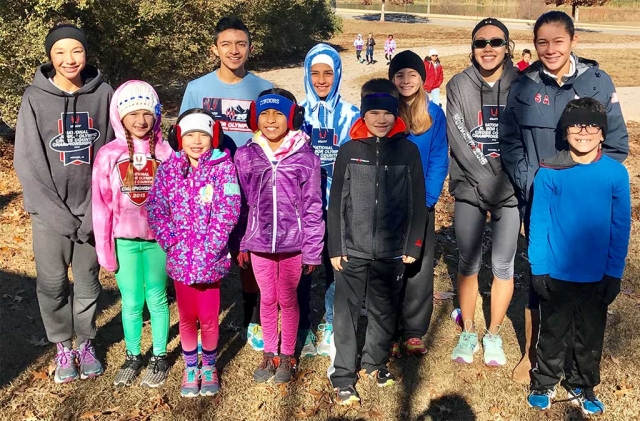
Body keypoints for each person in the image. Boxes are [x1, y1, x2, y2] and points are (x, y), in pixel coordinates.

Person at [500, 10, 629, 384]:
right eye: (542, 42)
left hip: (585, 209)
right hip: (539, 199)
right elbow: (510, 141)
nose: (550, 48)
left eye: (558, 40)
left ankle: (576, 359)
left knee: (582, 283)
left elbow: (617, 144)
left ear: (573, 40)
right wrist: (531, 182)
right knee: (540, 273)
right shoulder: (523, 84)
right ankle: (532, 355)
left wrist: (587, 183)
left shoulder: (598, 82)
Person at [13, 22, 114, 384]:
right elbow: (27, 161)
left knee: (87, 283)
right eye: (60, 52)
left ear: (86, 53)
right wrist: (57, 215)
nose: (69, 59)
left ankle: (85, 343)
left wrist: (95, 210)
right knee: (52, 284)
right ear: (50, 56)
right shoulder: (34, 98)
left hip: (93, 213)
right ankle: (61, 344)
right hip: (49, 216)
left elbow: (114, 154)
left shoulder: (103, 95)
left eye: (76, 50)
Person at [526, 98, 631, 415]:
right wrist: (538, 268)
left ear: (603, 134)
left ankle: (582, 384)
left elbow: (620, 225)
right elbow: (539, 222)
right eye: (576, 125)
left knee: (589, 338)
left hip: (598, 276)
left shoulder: (616, 174)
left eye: (592, 125)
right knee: (553, 334)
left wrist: (614, 272)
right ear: (564, 131)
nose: (583, 132)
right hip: (556, 273)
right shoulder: (549, 172)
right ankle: (544, 381)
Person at [328, 78, 427, 405]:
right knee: (346, 313)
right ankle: (343, 373)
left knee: (384, 312)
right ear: (364, 114)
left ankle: (374, 363)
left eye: (388, 113)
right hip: (352, 249)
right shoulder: (349, 151)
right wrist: (336, 247)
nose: (381, 119)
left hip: (391, 251)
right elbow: (336, 202)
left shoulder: (408, 150)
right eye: (374, 113)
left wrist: (413, 245)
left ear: (396, 115)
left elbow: (417, 202)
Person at [180, 16, 273, 352]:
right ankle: (206, 317)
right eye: (227, 44)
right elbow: (184, 139)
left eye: (241, 44)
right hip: (209, 189)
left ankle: (253, 317)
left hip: (252, 188)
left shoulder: (262, 89)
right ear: (214, 48)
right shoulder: (197, 89)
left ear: (250, 48)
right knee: (210, 253)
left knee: (249, 255)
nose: (234, 51)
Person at [146, 109, 241, 397]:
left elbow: (229, 210)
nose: (196, 141)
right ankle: (191, 368)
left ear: (213, 137)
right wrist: (172, 242)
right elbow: (156, 210)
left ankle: (209, 365)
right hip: (179, 259)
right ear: (179, 138)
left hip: (210, 260)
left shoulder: (224, 168)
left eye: (203, 134)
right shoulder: (167, 170)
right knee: (187, 317)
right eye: (189, 135)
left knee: (210, 317)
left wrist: (211, 247)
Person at [234, 89, 324, 384]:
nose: (271, 120)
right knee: (267, 298)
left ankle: (287, 354)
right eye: (264, 114)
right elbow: (243, 205)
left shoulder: (306, 158)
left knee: (288, 299)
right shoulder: (245, 156)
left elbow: (312, 206)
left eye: (278, 114)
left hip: (293, 245)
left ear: (292, 117)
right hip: (259, 244)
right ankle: (269, 352)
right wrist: (244, 242)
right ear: (254, 118)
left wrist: (312, 249)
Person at [446, 18, 520, 367]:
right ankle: (469, 331)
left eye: (496, 41)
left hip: (511, 189)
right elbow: (460, 137)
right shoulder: (458, 84)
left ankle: (493, 335)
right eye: (480, 42)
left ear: (508, 45)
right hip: (470, 187)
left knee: (503, 264)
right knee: (468, 262)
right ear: (472, 48)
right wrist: (488, 182)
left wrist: (506, 182)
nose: (488, 48)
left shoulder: (522, 84)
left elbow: (525, 140)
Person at [92, 81, 172, 387]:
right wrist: (105, 250)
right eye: (132, 114)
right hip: (124, 242)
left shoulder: (166, 151)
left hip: (158, 243)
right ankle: (133, 354)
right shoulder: (109, 155)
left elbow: (178, 200)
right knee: (131, 300)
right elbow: (100, 205)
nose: (141, 120)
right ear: (119, 116)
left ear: (156, 115)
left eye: (147, 113)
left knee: (157, 298)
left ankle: (160, 355)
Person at [298, 44, 360, 358]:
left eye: (328, 73)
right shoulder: (297, 114)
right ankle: (303, 327)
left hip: (340, 206)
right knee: (304, 269)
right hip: (303, 207)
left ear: (337, 75)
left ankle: (332, 325)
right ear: (307, 75)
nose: (322, 80)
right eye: (315, 73)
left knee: (338, 267)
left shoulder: (351, 114)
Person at [388, 51, 448, 357]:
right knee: (389, 264)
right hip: (387, 202)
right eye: (399, 75)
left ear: (422, 79)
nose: (406, 80)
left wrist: (427, 200)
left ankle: (412, 330)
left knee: (419, 267)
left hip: (419, 203)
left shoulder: (435, 115)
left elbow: (438, 159)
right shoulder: (385, 111)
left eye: (412, 75)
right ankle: (388, 329)